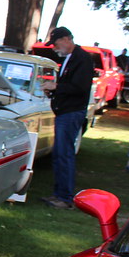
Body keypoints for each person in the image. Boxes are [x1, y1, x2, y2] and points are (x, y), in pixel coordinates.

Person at [39, 26, 94, 209]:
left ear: (66, 39)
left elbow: (80, 87)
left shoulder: (82, 59)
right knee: (59, 154)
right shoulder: (71, 58)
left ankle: (65, 197)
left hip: (71, 112)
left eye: (56, 44)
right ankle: (59, 193)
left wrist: (56, 87)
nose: (55, 48)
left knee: (64, 154)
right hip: (64, 111)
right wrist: (54, 92)